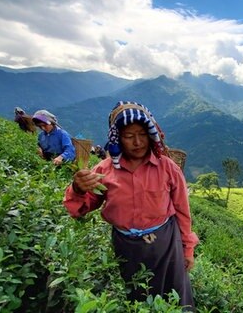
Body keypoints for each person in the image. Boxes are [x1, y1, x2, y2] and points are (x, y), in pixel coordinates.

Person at [62, 101, 198, 311]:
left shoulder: (167, 168)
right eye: (128, 136)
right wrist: (78, 189)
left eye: (142, 134)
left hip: (166, 242)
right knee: (135, 295)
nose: (137, 142)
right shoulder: (104, 170)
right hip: (126, 245)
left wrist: (187, 248)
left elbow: (182, 210)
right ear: (117, 138)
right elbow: (79, 209)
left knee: (175, 295)